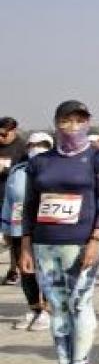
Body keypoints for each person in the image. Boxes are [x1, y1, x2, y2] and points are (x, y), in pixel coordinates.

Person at [20, 100, 99, 364]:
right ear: (56, 123)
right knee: (57, 306)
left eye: (79, 121)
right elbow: (29, 205)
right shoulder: (40, 161)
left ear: (88, 123)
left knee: (79, 303)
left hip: (81, 243)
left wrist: (96, 239)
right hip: (44, 242)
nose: (72, 127)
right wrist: (25, 245)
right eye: (66, 121)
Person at [1, 132, 53, 331]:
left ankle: (48, 310)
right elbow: (9, 200)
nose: (36, 148)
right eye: (32, 144)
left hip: (44, 227)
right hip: (18, 227)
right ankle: (34, 308)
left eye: (42, 144)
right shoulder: (17, 170)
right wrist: (6, 227)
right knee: (26, 271)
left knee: (46, 270)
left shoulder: (55, 169)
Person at [0, 116, 27, 285]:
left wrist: (6, 169)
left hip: (12, 199)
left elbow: (26, 170)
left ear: (13, 131)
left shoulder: (22, 148)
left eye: (3, 135)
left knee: (12, 236)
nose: (0, 138)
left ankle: (13, 269)